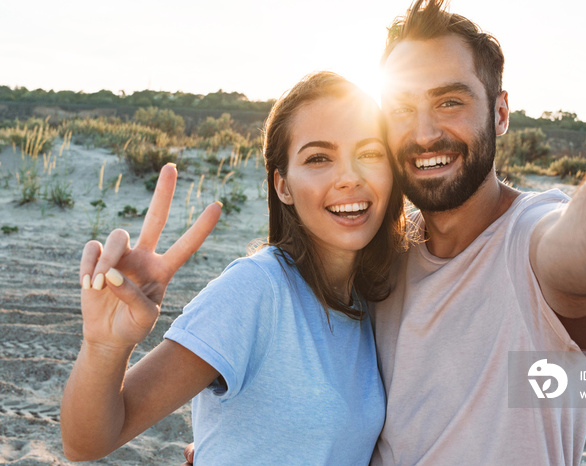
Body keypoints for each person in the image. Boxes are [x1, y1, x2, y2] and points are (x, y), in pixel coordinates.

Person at [183, 0, 586, 464]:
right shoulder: (379, 253)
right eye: (402, 108)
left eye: (450, 102)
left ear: (499, 113)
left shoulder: (532, 243)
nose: (425, 131)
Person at [60, 71, 405, 464]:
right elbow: (85, 443)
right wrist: (104, 346)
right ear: (283, 186)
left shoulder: (373, 296)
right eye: (318, 158)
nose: (349, 177)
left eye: (370, 153)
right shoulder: (258, 289)